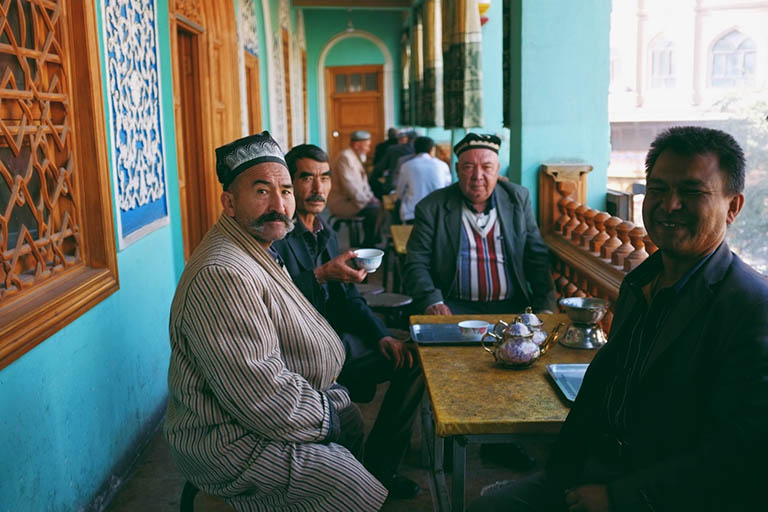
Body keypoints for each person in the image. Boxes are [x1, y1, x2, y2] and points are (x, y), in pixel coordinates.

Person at [469, 126, 768, 512]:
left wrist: (619, 497)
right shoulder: (642, 281)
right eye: (657, 189)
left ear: (733, 206)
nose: (670, 204)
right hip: (593, 470)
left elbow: (740, 451)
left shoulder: (749, 307)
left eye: (692, 192)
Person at [164, 132, 388, 511]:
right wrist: (326, 415)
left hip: (257, 418)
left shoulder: (258, 249)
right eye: (262, 191)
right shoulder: (224, 272)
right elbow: (261, 395)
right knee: (344, 481)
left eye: (285, 191)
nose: (279, 205)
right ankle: (213, 499)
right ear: (230, 202)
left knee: (351, 427)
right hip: (229, 439)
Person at [272, 143, 425, 499]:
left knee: (414, 356)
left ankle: (379, 468)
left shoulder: (324, 232)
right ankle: (352, 480)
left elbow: (352, 299)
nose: (318, 188)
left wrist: (382, 336)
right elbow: (277, 306)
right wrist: (321, 275)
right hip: (302, 356)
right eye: (306, 177)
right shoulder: (278, 238)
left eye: (324, 177)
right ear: (290, 186)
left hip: (340, 343)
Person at [404, 132, 557, 316]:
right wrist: (432, 301)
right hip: (453, 307)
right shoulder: (431, 207)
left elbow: (536, 256)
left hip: (511, 308)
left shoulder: (517, 199)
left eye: (487, 167)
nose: (478, 176)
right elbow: (416, 261)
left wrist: (545, 307)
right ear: (457, 169)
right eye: (469, 167)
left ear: (497, 169)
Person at [328, 130, 381, 246]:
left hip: (353, 199)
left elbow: (363, 184)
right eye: (366, 146)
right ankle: (368, 243)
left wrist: (370, 197)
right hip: (342, 201)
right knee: (374, 210)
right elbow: (350, 187)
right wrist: (367, 201)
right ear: (357, 145)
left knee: (377, 205)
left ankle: (371, 239)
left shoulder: (354, 156)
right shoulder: (345, 158)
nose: (368, 149)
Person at [396, 136, 452, 223]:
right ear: (432, 150)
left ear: (415, 150)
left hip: (412, 214)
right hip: (437, 213)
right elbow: (448, 188)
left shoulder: (407, 166)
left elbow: (400, 191)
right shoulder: (442, 165)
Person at [371, 129, 417, 198]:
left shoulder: (393, 149)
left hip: (394, 185)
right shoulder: (417, 151)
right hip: (414, 185)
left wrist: (372, 176)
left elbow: (381, 167)